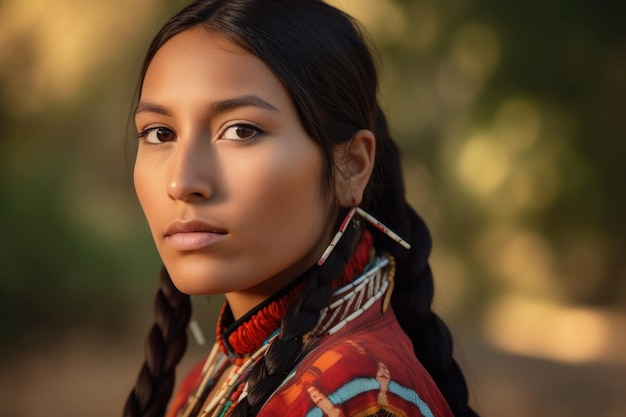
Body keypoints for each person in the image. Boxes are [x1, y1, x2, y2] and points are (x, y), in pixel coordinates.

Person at [123, 1, 479, 416]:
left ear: (351, 166)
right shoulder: (219, 373)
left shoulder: (361, 396)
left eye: (241, 130)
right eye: (159, 133)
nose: (182, 182)